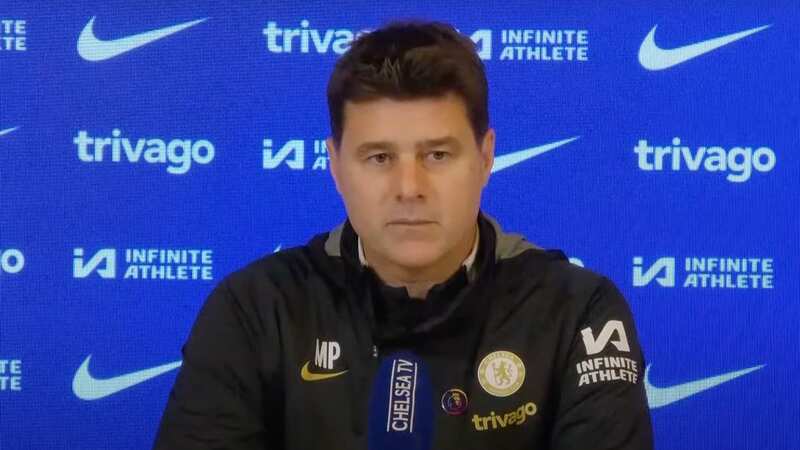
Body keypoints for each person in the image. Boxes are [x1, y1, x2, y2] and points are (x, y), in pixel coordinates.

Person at [153, 20, 653, 450]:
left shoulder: (576, 310)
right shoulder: (255, 309)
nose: (409, 188)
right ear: (334, 166)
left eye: (437, 155)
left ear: (485, 158)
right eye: (379, 158)